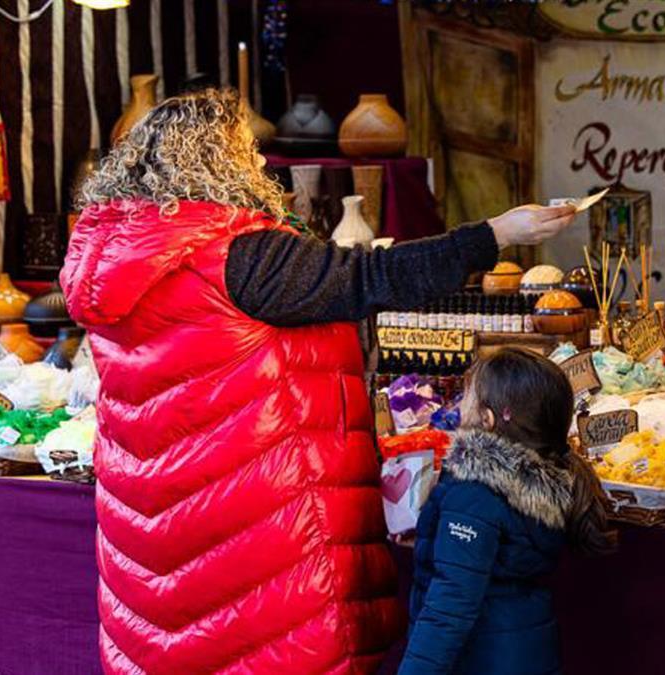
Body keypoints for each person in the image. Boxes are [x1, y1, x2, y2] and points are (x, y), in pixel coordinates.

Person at [60, 88, 576, 674]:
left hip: (154, 527)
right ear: (216, 161)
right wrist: (495, 233)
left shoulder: (110, 258)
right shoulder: (241, 256)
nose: (257, 162)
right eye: (245, 150)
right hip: (253, 526)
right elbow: (372, 277)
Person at [399, 348, 617, 675]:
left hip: (482, 657)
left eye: (467, 399)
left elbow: (450, 606)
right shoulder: (548, 478)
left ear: (487, 420)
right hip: (526, 650)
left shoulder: (476, 489)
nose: (459, 406)